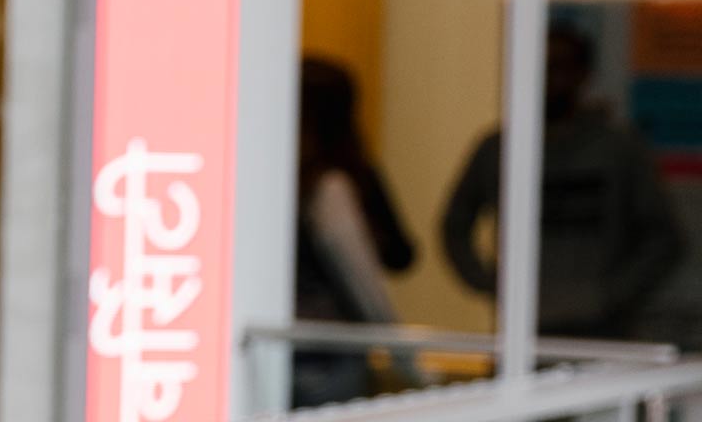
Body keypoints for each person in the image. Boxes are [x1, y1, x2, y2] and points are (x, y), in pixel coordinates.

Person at [440, 22, 687, 341]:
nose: (550, 78)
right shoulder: (499, 147)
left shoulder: (617, 147)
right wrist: (490, 282)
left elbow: (664, 236)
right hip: (523, 327)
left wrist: (613, 293)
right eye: (540, 66)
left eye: (560, 66)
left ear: (582, 73)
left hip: (601, 328)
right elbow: (455, 224)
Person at [292, 56, 421, 407]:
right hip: (326, 353)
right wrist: (405, 358)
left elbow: (399, 254)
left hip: (299, 349)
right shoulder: (327, 185)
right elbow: (359, 276)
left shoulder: (319, 179)